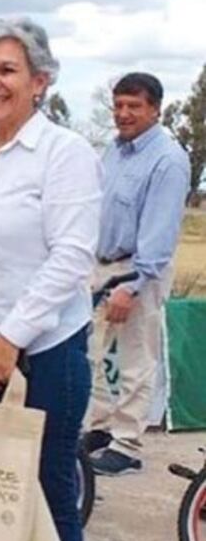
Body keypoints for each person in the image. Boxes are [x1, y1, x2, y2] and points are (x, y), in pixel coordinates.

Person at [0, 18, 101, 541]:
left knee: (45, 490)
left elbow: (72, 255)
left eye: (8, 69)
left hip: (44, 353)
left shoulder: (65, 153)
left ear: (40, 82)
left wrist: (10, 335)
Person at [83, 72, 191, 476]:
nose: (124, 114)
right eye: (119, 106)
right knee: (87, 351)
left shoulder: (168, 159)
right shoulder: (112, 151)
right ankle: (99, 427)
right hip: (100, 264)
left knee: (134, 359)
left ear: (155, 110)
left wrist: (133, 285)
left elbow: (160, 233)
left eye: (134, 106)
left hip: (140, 269)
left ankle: (126, 443)